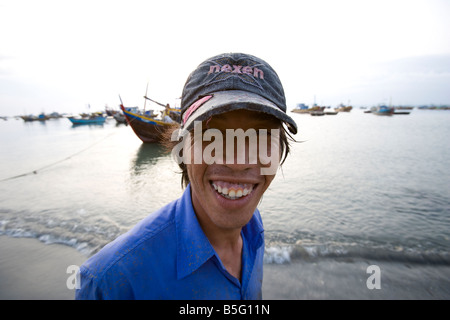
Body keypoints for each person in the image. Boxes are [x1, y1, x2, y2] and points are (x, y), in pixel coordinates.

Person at [75, 52, 298, 300]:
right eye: (211, 134)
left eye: (260, 136)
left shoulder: (253, 229)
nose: (237, 162)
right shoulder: (111, 282)